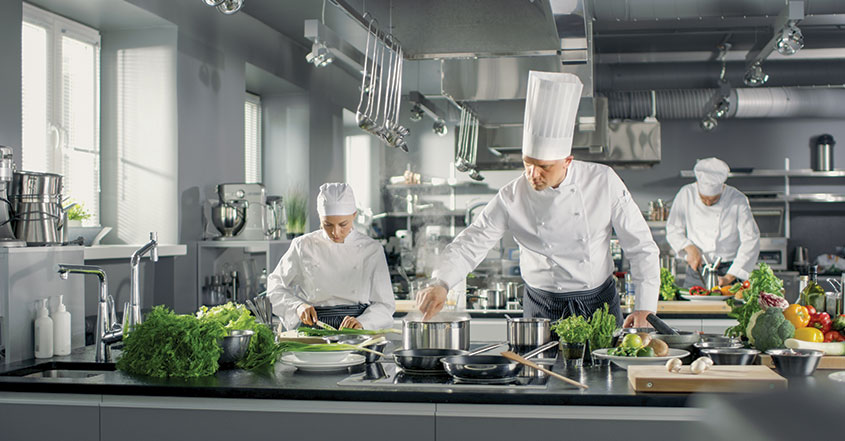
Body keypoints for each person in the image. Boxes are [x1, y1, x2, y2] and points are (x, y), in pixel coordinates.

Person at [415, 71, 660, 328]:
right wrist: (440, 282)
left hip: (597, 303)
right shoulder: (512, 195)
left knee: (603, 367)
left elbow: (640, 245)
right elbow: (471, 242)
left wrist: (646, 308)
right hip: (541, 306)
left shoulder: (603, 181)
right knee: (536, 369)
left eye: (544, 167)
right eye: (527, 164)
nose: (533, 175)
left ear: (567, 161)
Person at [267, 183, 395, 331]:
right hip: (314, 329)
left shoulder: (372, 249)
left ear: (354, 215)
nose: (335, 232)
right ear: (320, 217)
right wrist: (297, 306)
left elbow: (385, 304)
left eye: (343, 224)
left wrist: (364, 322)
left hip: (356, 330)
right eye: (327, 225)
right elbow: (274, 288)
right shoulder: (303, 245)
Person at [666, 157, 760, 288]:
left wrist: (729, 277)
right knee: (692, 309)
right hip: (697, 270)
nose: (708, 203)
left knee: (729, 308)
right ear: (698, 185)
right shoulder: (686, 194)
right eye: (704, 199)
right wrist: (689, 247)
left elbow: (751, 239)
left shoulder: (737, 199)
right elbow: (673, 230)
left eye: (714, 199)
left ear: (722, 187)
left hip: (728, 270)